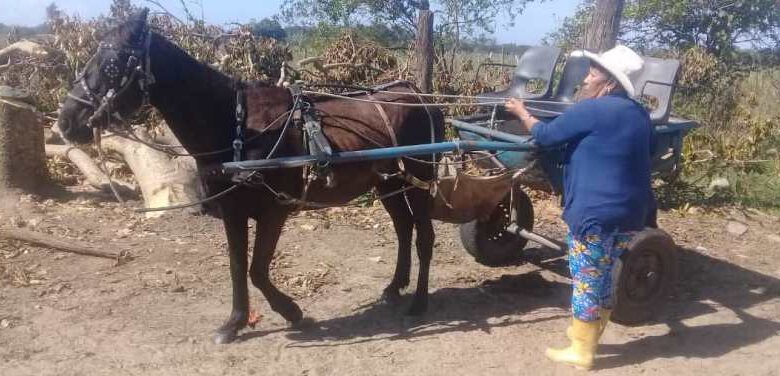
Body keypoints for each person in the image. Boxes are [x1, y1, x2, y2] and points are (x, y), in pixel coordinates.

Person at [505, 45, 655, 370]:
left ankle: (581, 351)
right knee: (601, 277)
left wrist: (521, 112)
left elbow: (545, 135)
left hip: (594, 215)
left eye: (593, 73)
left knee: (586, 280)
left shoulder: (593, 110)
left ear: (610, 83)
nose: (586, 78)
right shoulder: (639, 114)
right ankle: (588, 338)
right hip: (629, 215)